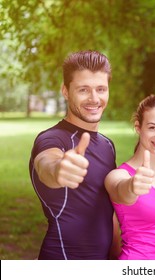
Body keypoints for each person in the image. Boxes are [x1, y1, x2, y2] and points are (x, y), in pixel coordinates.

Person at [29, 50, 118, 260]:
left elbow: (107, 212)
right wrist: (59, 169)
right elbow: (46, 163)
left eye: (101, 89)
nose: (94, 98)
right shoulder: (52, 139)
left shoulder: (107, 145)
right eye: (83, 89)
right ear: (66, 91)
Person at [104, 95, 155, 260]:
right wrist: (132, 186)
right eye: (153, 127)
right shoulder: (119, 175)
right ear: (138, 127)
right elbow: (120, 190)